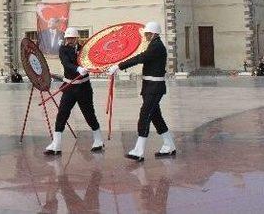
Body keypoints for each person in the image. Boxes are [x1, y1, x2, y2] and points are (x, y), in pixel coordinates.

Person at [107, 21, 176, 161]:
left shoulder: (156, 46)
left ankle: (138, 151)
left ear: (154, 33)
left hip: (154, 88)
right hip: (150, 87)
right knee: (156, 117)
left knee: (145, 115)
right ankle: (169, 145)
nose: (145, 36)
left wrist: (119, 66)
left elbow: (141, 58)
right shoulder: (154, 44)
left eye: (147, 34)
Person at [44, 27, 104, 155]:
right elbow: (66, 64)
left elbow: (93, 59)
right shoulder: (63, 50)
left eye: (72, 38)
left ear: (77, 38)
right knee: (62, 114)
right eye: (67, 38)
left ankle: (98, 140)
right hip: (69, 87)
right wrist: (78, 69)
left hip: (84, 88)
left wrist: (94, 67)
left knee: (89, 114)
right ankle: (56, 144)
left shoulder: (84, 49)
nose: (69, 40)